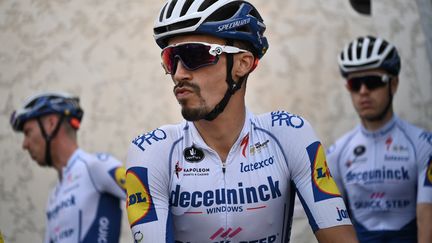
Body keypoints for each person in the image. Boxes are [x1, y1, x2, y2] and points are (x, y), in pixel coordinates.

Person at [125, 0, 358, 242]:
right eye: (171, 59)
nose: (179, 73)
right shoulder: (152, 151)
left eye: (194, 55)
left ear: (242, 63)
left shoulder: (288, 134)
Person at [327, 35, 432, 243]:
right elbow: (335, 223)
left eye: (373, 82)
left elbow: (427, 217)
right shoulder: (337, 152)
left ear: (393, 84)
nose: (363, 91)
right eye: (355, 84)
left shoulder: (423, 144)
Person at [10, 91, 127, 243]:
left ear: (51, 124)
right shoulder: (54, 195)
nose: (24, 145)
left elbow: (152, 193)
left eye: (28, 132)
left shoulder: (95, 166)